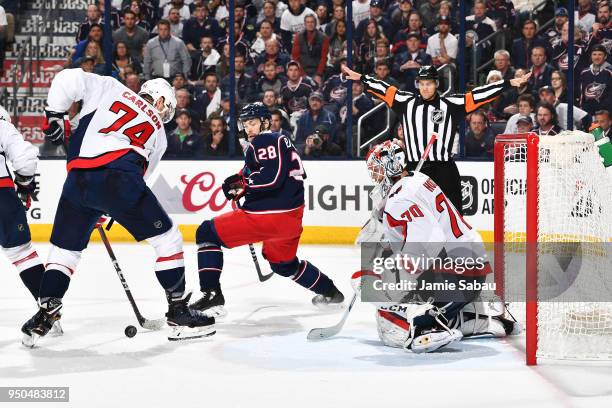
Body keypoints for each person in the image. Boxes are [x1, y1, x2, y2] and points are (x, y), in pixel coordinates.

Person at [21, 70, 214, 346]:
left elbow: (67, 79)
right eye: (166, 110)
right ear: (159, 101)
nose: (164, 117)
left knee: (65, 251)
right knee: (168, 238)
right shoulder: (159, 133)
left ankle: (45, 312)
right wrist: (110, 206)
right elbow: (140, 178)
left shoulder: (110, 87)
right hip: (120, 178)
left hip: (77, 180)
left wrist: (54, 114)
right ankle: (179, 313)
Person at [354, 141, 519, 353]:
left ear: (390, 167)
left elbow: (429, 243)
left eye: (376, 171)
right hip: (470, 272)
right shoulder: (418, 178)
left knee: (388, 313)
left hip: (457, 275)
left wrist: (383, 282)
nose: (375, 179)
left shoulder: (399, 199)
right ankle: (471, 318)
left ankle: (427, 328)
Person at [191, 103, 344, 318]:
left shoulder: (265, 139)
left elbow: (271, 178)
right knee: (284, 265)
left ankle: (212, 295)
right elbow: (260, 174)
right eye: (246, 124)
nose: (249, 128)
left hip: (266, 216)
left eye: (253, 123)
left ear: (265, 122)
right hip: (290, 221)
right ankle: (330, 292)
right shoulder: (279, 142)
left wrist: (244, 185)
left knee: (206, 233)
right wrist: (240, 183)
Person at [341, 64, 532, 212]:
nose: (425, 88)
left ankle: (455, 255)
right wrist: (363, 78)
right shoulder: (405, 102)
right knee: (416, 213)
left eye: (429, 83)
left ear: (437, 84)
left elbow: (479, 95)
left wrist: (508, 83)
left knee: (454, 212)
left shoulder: (451, 104)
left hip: (444, 169)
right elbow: (384, 89)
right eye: (422, 84)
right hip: (416, 168)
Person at [0, 107, 59, 337]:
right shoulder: (3, 125)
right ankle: (49, 308)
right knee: (22, 254)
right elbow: (25, 158)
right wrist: (24, 185)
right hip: (2, 195)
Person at [291, 14, 329, 84]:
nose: (310, 24)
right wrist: (302, 74)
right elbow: (295, 58)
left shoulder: (324, 38)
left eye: (312, 22)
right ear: (305, 24)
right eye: (308, 22)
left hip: (318, 70)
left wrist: (318, 74)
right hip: (302, 70)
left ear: (315, 23)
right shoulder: (298, 37)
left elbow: (324, 58)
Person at [579, 44, 612, 117]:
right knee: (594, 128)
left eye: (600, 54)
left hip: (606, 115)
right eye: (594, 54)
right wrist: (582, 112)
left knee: (603, 129)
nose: (597, 57)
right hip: (588, 114)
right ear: (591, 56)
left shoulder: (609, 72)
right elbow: (582, 94)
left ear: (605, 56)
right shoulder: (584, 72)